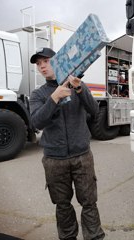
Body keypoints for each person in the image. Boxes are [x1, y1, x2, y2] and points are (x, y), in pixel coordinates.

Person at [29, 47, 105, 240]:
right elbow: (37, 122)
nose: (42, 66)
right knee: (62, 204)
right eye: (38, 64)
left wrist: (79, 89)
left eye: (46, 61)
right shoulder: (38, 94)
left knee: (89, 202)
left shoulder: (77, 84)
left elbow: (94, 111)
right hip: (54, 160)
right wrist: (54, 98)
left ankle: (94, 237)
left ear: (59, 60)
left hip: (82, 156)